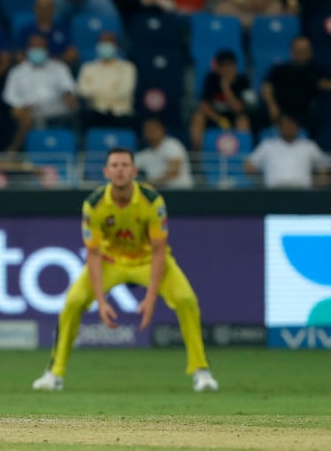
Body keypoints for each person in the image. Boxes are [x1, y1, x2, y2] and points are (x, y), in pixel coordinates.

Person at [32, 148, 218, 393]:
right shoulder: (94, 205)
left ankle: (201, 371)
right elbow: (94, 254)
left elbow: (160, 250)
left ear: (133, 170)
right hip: (110, 261)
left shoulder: (152, 201)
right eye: (115, 165)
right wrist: (100, 300)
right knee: (74, 301)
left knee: (186, 299)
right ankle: (54, 374)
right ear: (106, 171)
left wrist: (150, 300)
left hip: (148, 260)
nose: (120, 170)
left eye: (124, 165)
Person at [244, 114, 330, 189]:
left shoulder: (308, 146)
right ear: (279, 127)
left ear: (297, 127)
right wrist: (259, 180)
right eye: (284, 124)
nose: (287, 127)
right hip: (273, 193)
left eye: (290, 124)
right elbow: (249, 164)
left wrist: (320, 178)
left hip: (302, 193)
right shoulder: (268, 145)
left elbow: (324, 163)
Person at [190, 49, 253, 151]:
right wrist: (219, 120)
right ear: (218, 68)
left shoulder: (243, 81)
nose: (228, 70)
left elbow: (238, 108)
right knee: (198, 118)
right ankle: (198, 156)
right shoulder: (211, 79)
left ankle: (241, 158)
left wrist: (226, 88)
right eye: (225, 66)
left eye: (231, 66)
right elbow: (203, 105)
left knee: (243, 122)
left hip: (234, 117)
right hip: (216, 117)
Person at [77, 31, 137, 130]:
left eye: (109, 43)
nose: (105, 46)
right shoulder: (88, 67)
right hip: (95, 113)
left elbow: (125, 91)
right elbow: (82, 90)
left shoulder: (128, 67)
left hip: (121, 113)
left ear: (116, 46)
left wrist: (96, 89)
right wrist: (111, 87)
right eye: (102, 43)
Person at [136, 117, 194, 189]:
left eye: (154, 128)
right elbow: (129, 169)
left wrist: (150, 183)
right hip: (157, 194)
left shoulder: (172, 145)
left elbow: (174, 172)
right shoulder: (143, 154)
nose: (151, 132)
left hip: (181, 192)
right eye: (148, 129)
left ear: (163, 130)